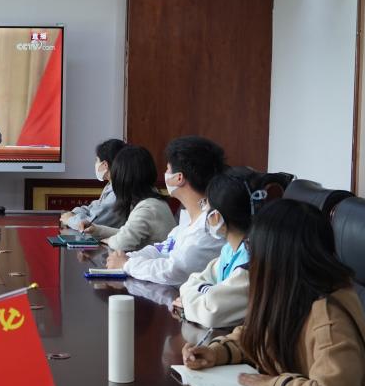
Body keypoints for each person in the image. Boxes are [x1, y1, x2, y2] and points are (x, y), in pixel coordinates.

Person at [182, 200, 365, 386]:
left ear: (276, 258)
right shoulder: (291, 297)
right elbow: (256, 337)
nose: (251, 260)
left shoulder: (330, 315)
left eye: (253, 248)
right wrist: (216, 352)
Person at [106, 136, 226, 285]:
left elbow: (174, 270)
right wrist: (128, 257)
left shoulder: (211, 226)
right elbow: (161, 250)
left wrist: (127, 264)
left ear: (179, 178)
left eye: (168, 169)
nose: (165, 173)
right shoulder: (187, 221)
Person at [175, 167, 264, 328]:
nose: (204, 211)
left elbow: (210, 312)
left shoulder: (252, 261)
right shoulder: (229, 250)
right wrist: (207, 292)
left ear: (216, 216)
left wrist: (193, 300)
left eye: (206, 205)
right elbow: (192, 281)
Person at [85, 145, 174, 252]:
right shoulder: (152, 201)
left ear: (124, 178)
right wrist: (97, 230)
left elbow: (121, 243)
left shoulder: (147, 208)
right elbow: (126, 233)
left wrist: (109, 240)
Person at [60, 138, 126, 231]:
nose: (95, 164)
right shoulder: (111, 185)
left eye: (97, 160)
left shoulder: (118, 192)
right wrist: (74, 213)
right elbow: (92, 208)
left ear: (105, 165)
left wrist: (70, 219)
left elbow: (91, 225)